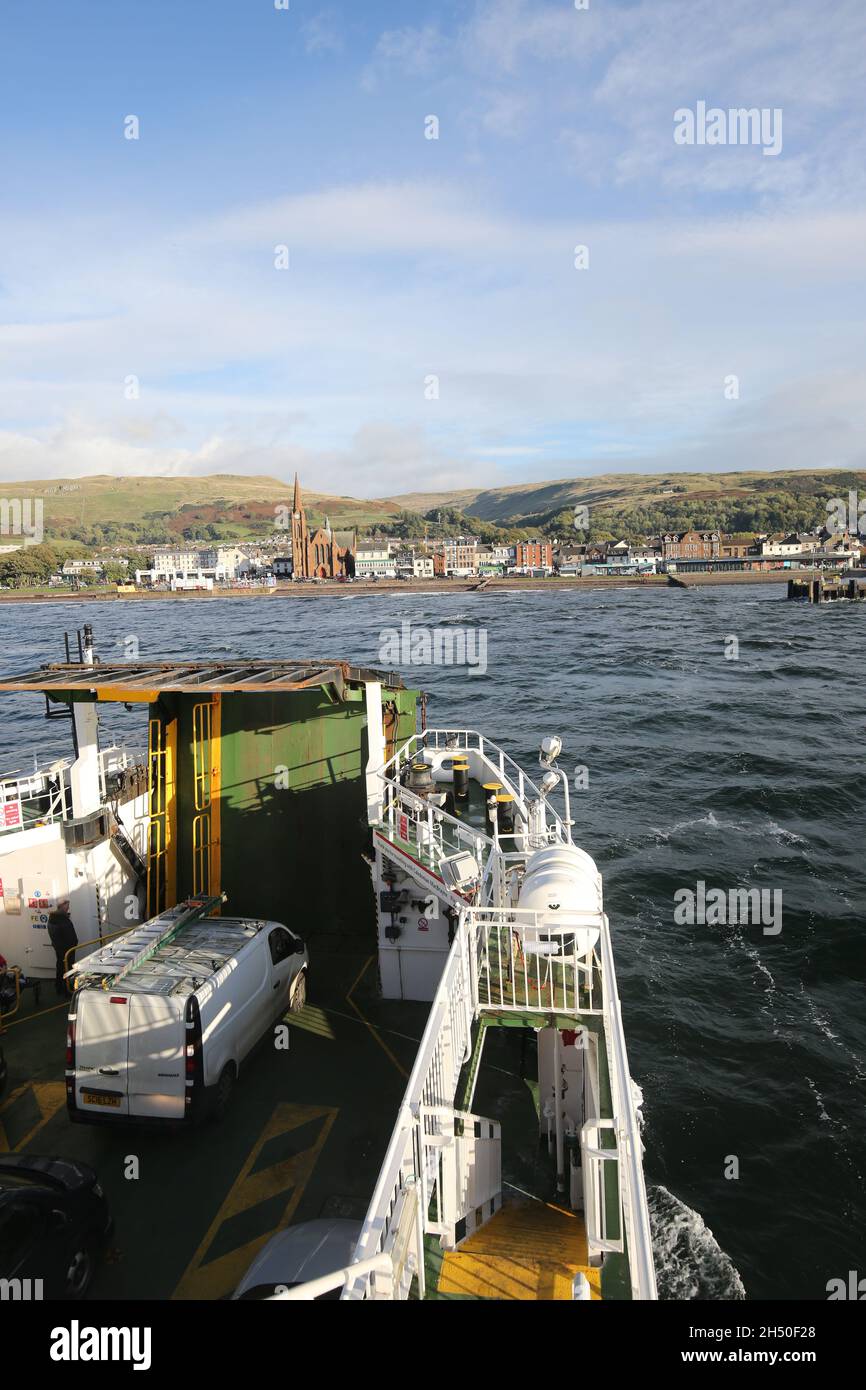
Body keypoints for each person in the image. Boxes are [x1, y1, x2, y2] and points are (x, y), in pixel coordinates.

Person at [47, 900, 77, 997]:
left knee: (60, 966)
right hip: (66, 949)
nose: (68, 908)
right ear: (62, 907)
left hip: (59, 948)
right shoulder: (62, 920)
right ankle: (67, 989)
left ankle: (59, 987)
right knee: (66, 968)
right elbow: (68, 935)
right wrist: (74, 943)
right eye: (67, 906)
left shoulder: (53, 918)